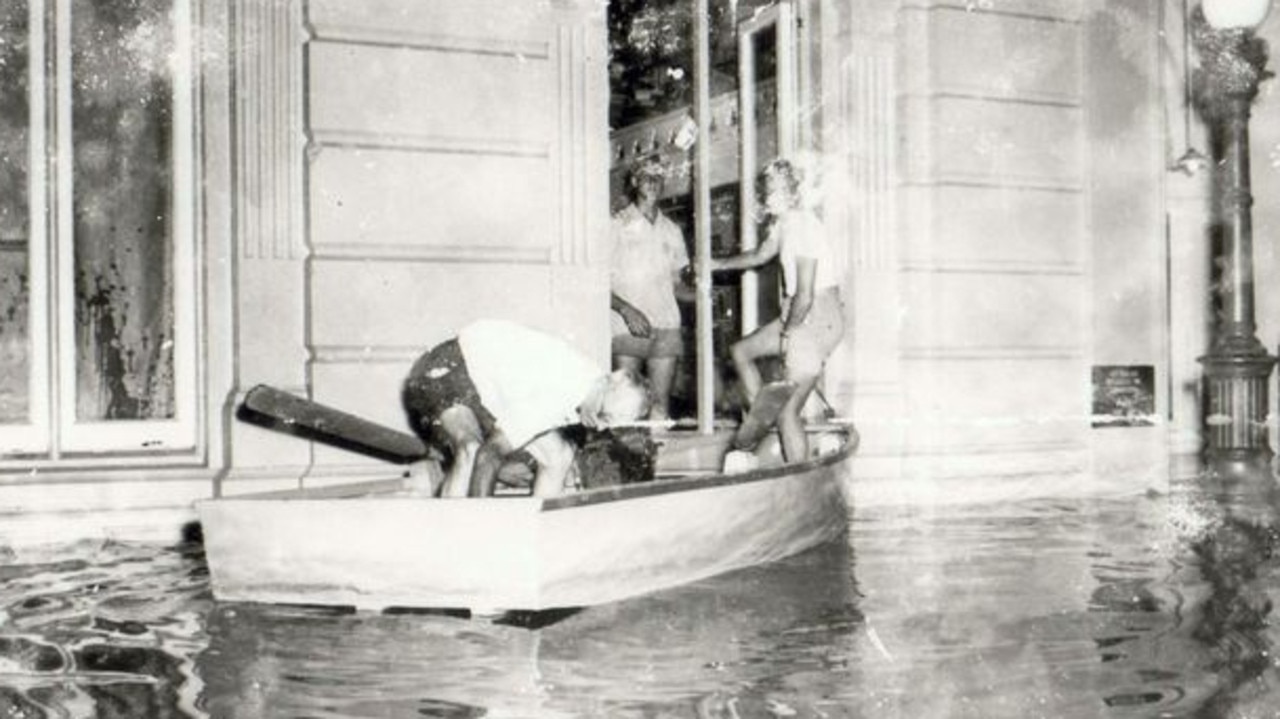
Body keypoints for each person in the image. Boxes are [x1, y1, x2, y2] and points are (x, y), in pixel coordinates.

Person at [402, 319, 651, 498]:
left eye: (610, 424)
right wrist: (481, 529)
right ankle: (457, 547)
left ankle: (538, 539)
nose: (600, 425)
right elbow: (489, 456)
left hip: (487, 384)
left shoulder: (596, 382)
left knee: (559, 456)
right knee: (471, 449)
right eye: (603, 415)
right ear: (607, 383)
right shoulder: (558, 393)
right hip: (448, 367)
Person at [709, 157, 845, 463]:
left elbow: (806, 295)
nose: (769, 197)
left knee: (788, 413)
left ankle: (798, 474)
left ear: (792, 192)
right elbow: (760, 255)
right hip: (798, 313)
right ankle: (764, 413)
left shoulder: (805, 227)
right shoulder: (784, 224)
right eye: (767, 189)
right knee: (741, 352)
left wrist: (786, 337)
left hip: (816, 316)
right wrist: (716, 264)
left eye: (776, 190)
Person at [610, 157, 693, 420]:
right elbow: (596, 281)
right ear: (635, 182)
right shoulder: (616, 224)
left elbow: (677, 284)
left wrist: (701, 295)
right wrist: (626, 311)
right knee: (626, 407)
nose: (654, 183)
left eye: (659, 178)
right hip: (628, 327)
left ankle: (661, 461)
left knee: (660, 407)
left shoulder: (672, 230)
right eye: (647, 177)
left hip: (666, 325)